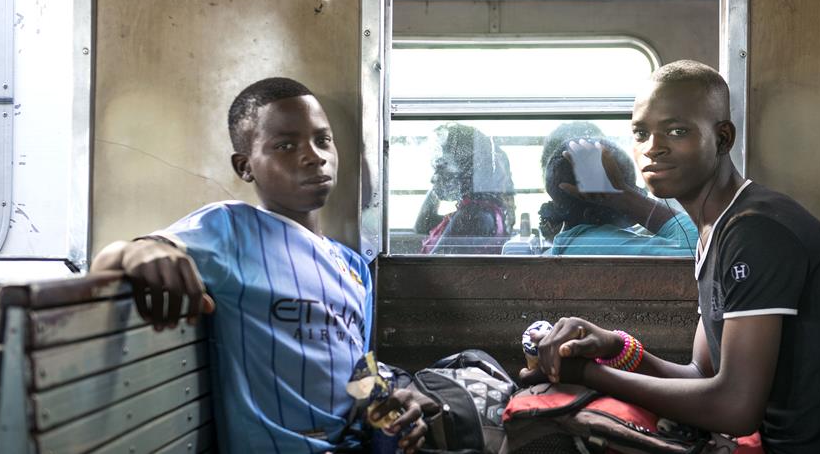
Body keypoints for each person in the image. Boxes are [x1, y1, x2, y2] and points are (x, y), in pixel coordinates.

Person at [524, 60, 820, 454]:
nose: (652, 147)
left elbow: (735, 408)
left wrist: (590, 375)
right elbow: (700, 374)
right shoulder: (716, 230)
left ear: (723, 138)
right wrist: (611, 347)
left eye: (676, 131)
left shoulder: (756, 232)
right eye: (640, 133)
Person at [90, 78, 435, 453]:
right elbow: (116, 259)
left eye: (323, 140)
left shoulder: (353, 266)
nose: (314, 156)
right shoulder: (231, 230)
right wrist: (142, 251)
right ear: (245, 167)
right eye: (286, 146)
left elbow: (358, 375)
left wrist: (392, 404)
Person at [540, 137, 697, 256]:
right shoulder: (599, 244)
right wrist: (626, 198)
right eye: (626, 187)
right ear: (592, 214)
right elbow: (702, 246)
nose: (638, 193)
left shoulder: (577, 242)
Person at [415, 123, 516, 254]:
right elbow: (422, 225)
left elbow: (435, 266)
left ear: (467, 169)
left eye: (442, 167)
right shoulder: (479, 210)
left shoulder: (473, 217)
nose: (433, 178)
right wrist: (438, 185)